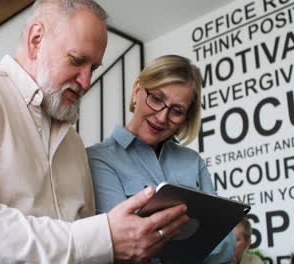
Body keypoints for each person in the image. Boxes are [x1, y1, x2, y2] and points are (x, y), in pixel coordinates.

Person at [0, 1, 189, 263]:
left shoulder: (74, 143)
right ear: (36, 40)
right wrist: (104, 237)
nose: (87, 81)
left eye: (93, 68)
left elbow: (80, 249)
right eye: (77, 60)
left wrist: (125, 245)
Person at [87, 55, 235, 263]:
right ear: (137, 89)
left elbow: (226, 246)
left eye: (177, 111)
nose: (161, 117)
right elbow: (123, 247)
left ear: (186, 118)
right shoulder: (98, 159)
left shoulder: (192, 161)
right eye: (156, 98)